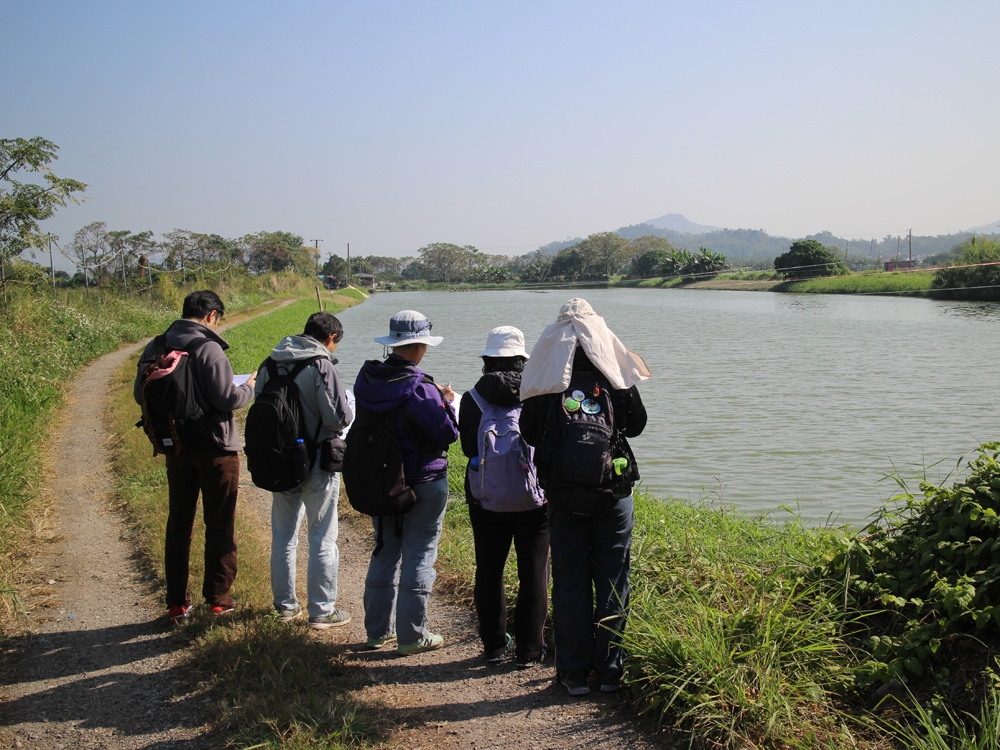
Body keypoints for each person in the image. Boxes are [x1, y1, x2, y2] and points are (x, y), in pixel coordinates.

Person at [520, 298, 650, 696]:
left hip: (563, 497)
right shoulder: (613, 373)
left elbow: (528, 432)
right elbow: (637, 427)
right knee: (613, 579)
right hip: (612, 495)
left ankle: (573, 674)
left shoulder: (545, 376)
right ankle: (610, 672)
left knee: (570, 580)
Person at [134, 290, 256, 624]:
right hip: (216, 449)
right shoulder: (208, 347)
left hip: (174, 446)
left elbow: (138, 393)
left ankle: (176, 604)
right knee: (219, 523)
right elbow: (226, 397)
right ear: (212, 316)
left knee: (179, 524)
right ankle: (218, 601)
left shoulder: (156, 346)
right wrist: (250, 386)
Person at [353, 310, 458, 655]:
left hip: (383, 481)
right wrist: (448, 403)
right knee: (420, 553)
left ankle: (376, 633)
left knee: (385, 550)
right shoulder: (421, 388)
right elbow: (447, 433)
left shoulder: (366, 379)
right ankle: (413, 636)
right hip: (423, 481)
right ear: (420, 345)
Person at [253, 312, 353, 629]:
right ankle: (322, 612)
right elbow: (338, 418)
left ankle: (284, 608)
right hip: (317, 463)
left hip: (278, 461)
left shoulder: (269, 364)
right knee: (322, 538)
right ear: (331, 339)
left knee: (284, 537)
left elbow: (261, 407)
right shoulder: (320, 365)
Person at [459, 326, 549, 667]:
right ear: (522, 360)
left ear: (487, 360)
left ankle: (494, 647)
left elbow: (469, 448)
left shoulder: (472, 398)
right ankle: (529, 651)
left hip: (486, 499)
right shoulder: (537, 394)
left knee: (489, 569)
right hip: (534, 499)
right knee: (534, 572)